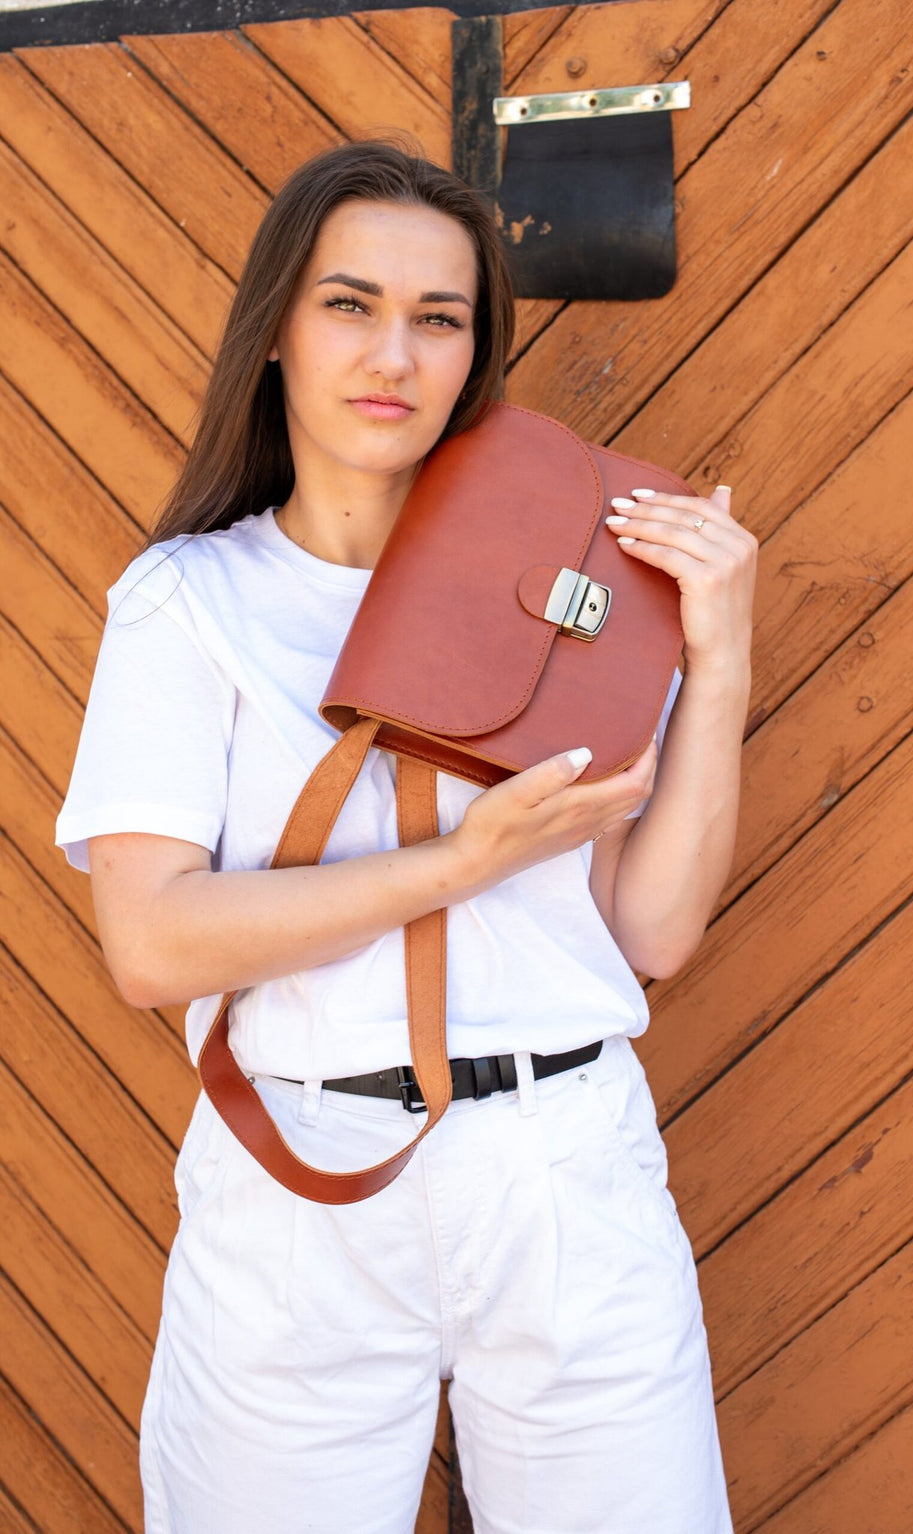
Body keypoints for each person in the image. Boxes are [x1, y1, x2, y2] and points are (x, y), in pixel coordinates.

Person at [56, 140, 756, 1534]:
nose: (395, 353)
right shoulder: (188, 603)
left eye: (440, 319)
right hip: (298, 1177)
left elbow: (653, 931)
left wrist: (718, 656)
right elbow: (151, 939)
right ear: (274, 333)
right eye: (350, 304)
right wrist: (461, 862)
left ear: (477, 355)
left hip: (565, 1168)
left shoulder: (584, 586)